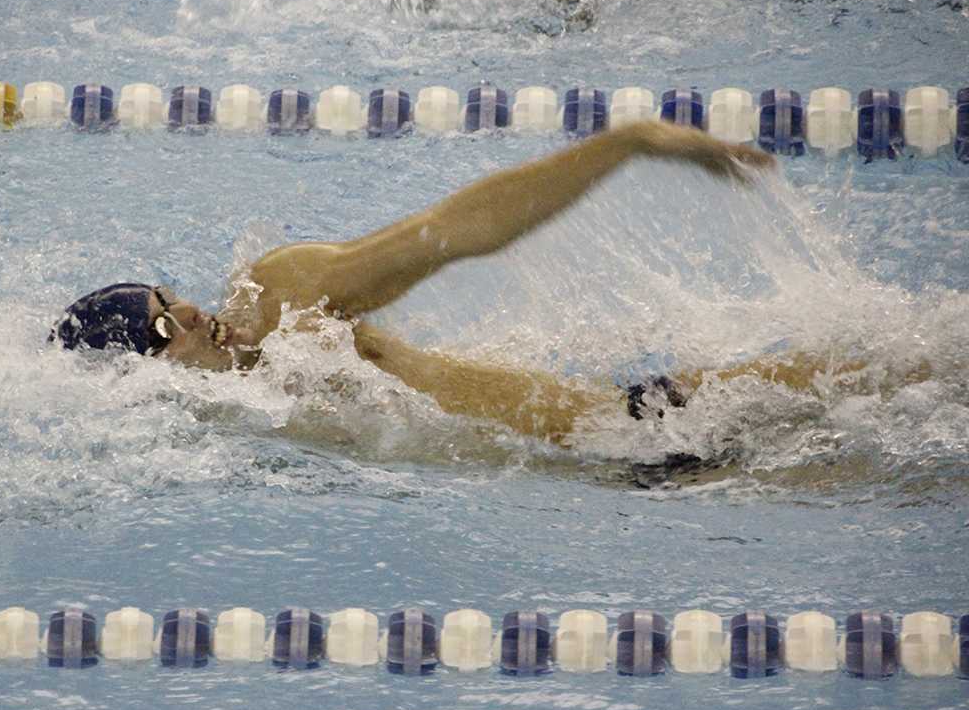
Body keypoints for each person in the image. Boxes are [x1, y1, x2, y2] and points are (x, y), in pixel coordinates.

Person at [51, 120, 856, 445]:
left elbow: (452, 232)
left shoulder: (282, 305)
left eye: (168, 297)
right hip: (619, 481)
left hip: (647, 426)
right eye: (164, 330)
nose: (188, 312)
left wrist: (630, 144)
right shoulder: (214, 431)